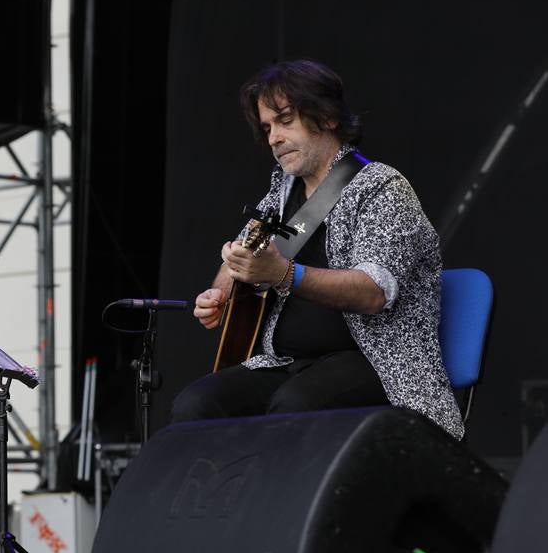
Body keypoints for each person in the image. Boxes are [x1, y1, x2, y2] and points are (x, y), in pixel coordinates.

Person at [170, 59, 463, 438]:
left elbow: (373, 292)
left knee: (296, 406)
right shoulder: (283, 190)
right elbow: (241, 253)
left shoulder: (382, 188)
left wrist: (283, 274)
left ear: (326, 118)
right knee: (195, 406)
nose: (273, 137)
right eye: (267, 127)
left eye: (285, 120)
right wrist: (220, 291)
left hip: (379, 365)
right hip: (285, 362)